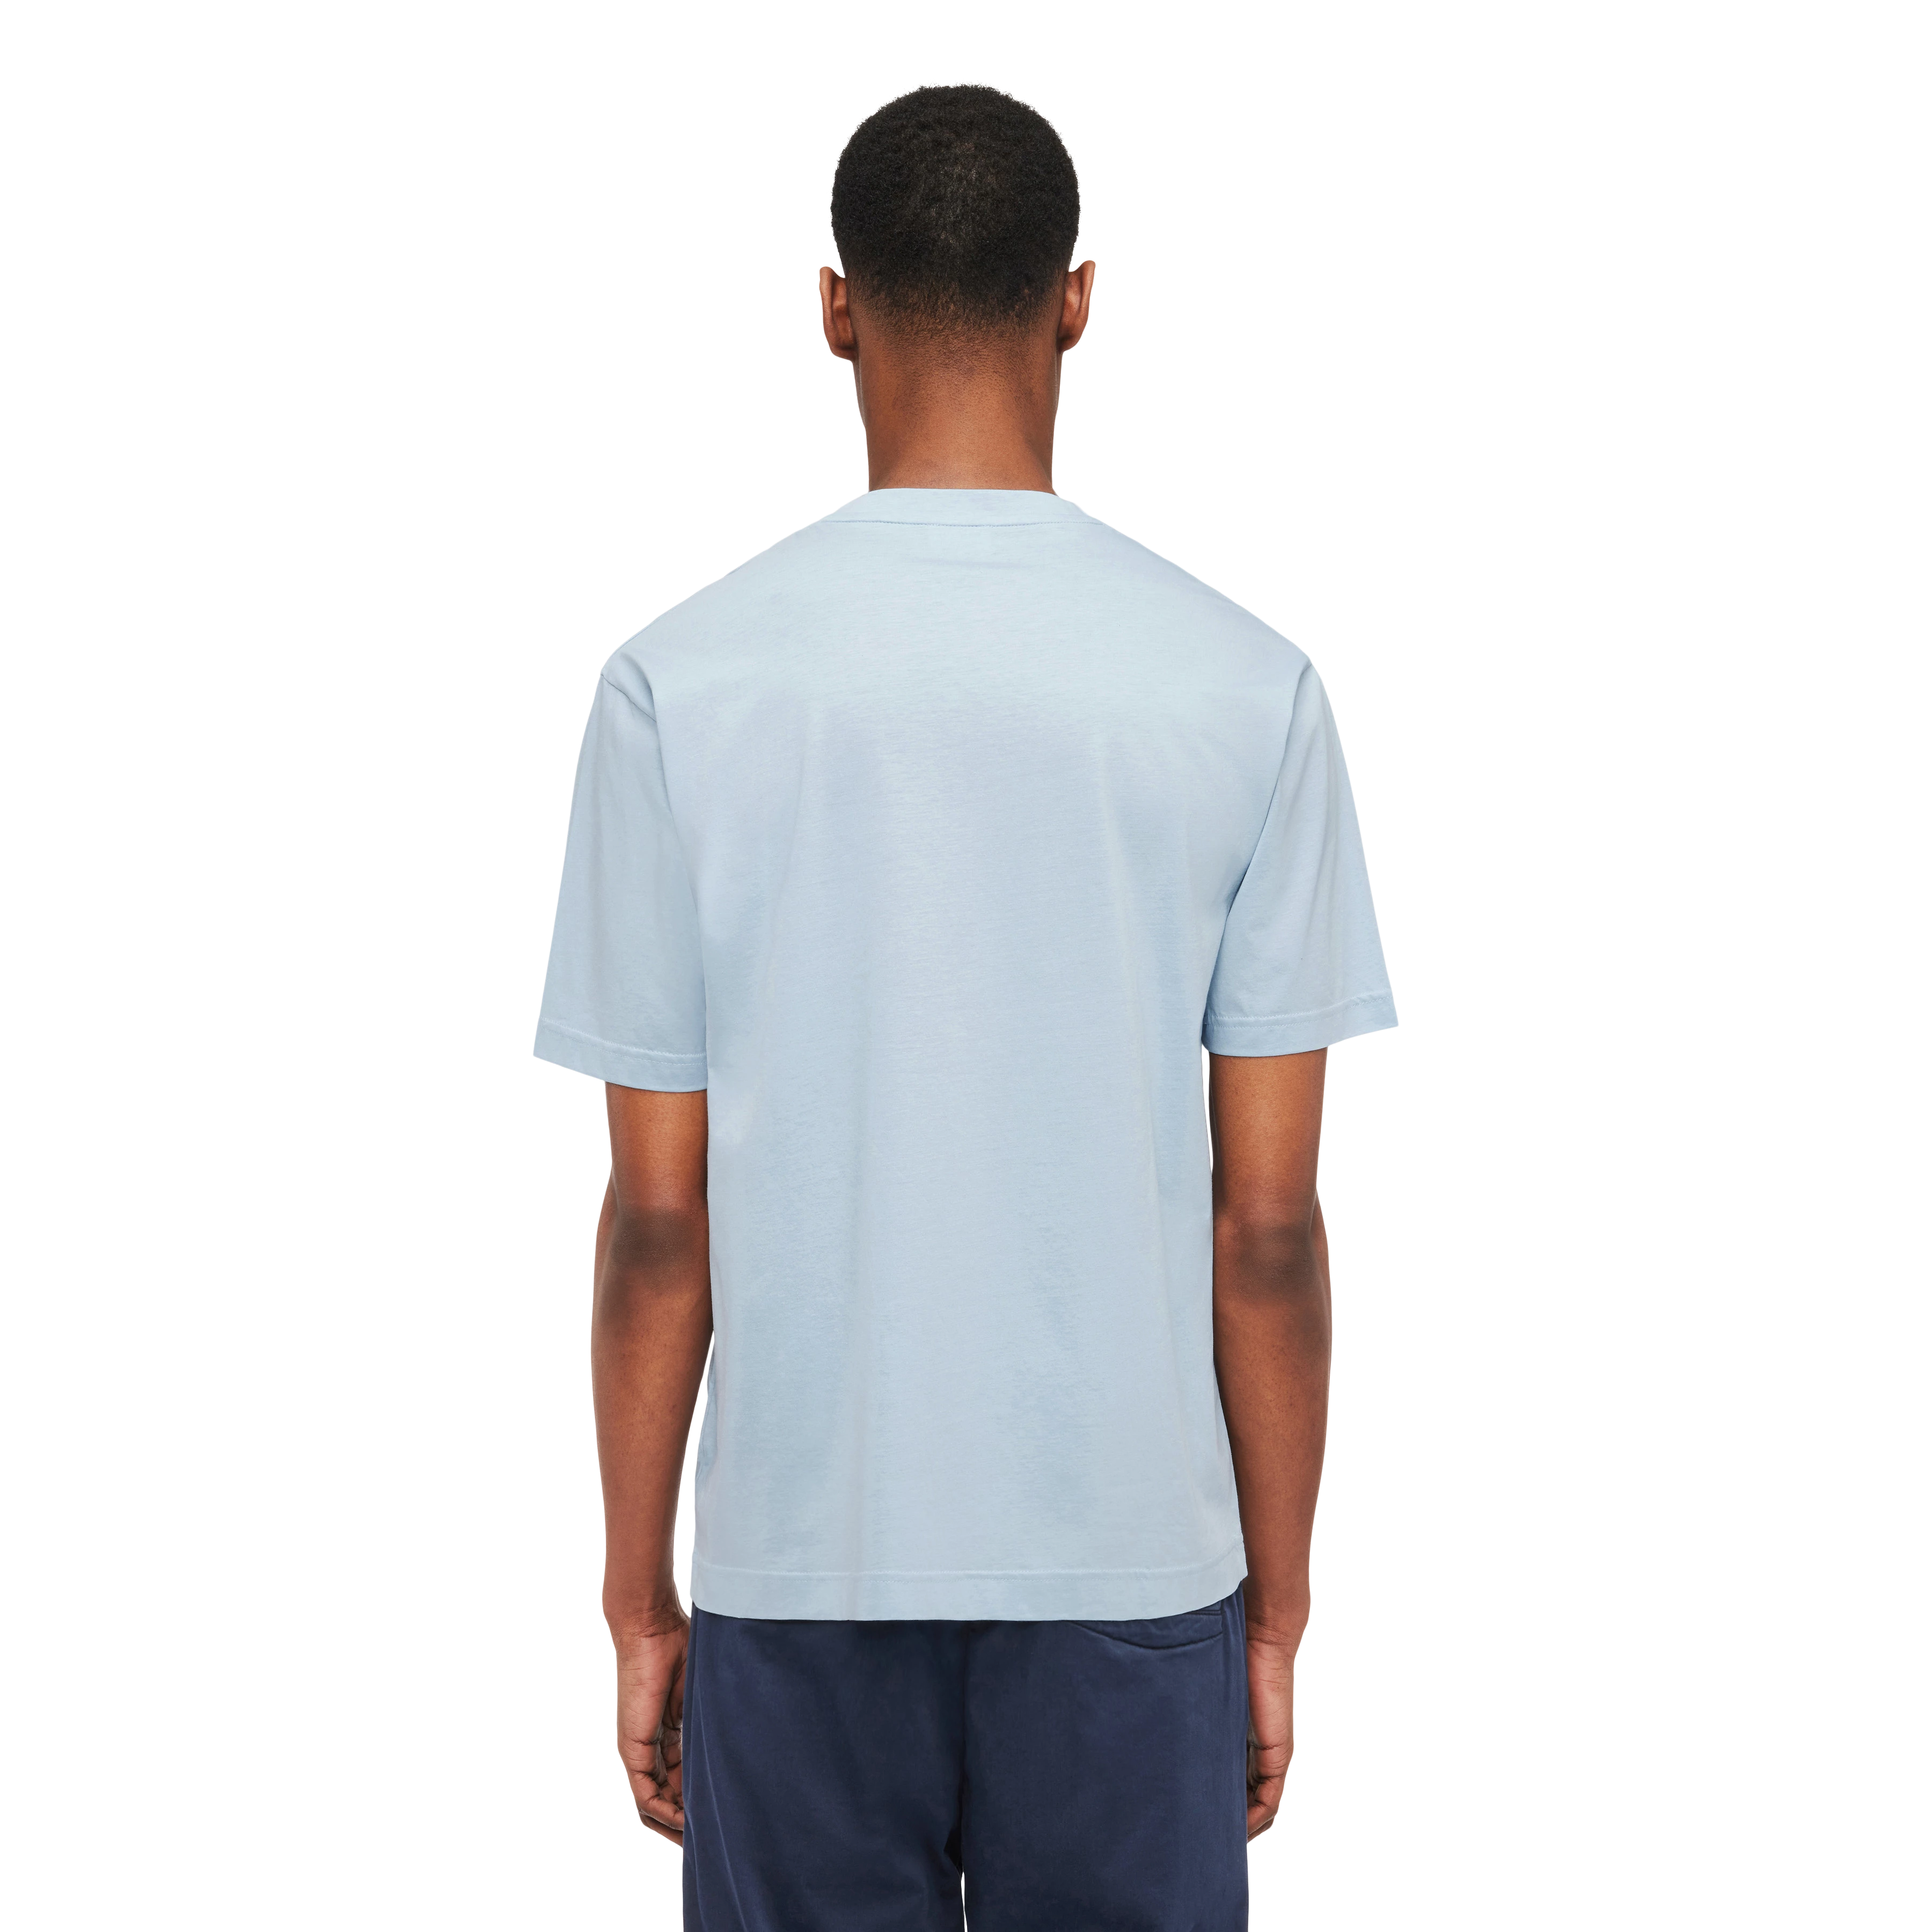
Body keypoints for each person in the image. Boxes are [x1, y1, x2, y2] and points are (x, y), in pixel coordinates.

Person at [533, 81, 1398, 1931]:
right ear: (1076, 300)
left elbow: (659, 1223)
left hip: (795, 1568)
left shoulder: (678, 689)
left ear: (835, 308)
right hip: (1134, 1579)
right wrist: (1277, 1610)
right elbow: (1269, 1230)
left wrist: (637, 1601)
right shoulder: (1247, 690)